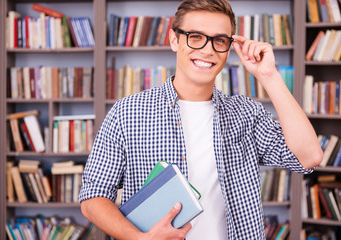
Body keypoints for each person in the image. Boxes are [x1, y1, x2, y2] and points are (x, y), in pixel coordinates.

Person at [79, 0, 323, 239]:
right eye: (195, 36)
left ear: (229, 47)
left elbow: (309, 157)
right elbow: (93, 197)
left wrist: (268, 75)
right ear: (174, 39)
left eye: (219, 40)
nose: (207, 50)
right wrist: (138, 238)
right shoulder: (127, 113)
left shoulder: (246, 114)